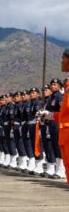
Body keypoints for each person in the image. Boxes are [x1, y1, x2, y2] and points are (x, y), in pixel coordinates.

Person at [41, 48, 69, 183]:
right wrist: (50, 115)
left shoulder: (61, 94)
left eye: (64, 58)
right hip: (63, 131)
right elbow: (64, 113)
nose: (61, 61)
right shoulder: (67, 86)